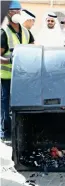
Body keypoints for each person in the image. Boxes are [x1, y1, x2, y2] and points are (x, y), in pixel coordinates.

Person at [0, 0, 34, 141]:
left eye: (18, 10)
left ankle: (19, 133)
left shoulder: (26, 32)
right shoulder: (4, 33)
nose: (16, 13)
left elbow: (32, 49)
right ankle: (5, 133)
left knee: (20, 105)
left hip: (22, 77)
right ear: (8, 14)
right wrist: (9, 60)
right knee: (5, 105)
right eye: (13, 11)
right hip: (7, 76)